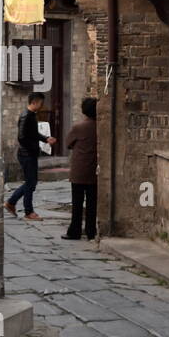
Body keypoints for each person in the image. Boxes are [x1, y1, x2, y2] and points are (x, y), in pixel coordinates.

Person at [5, 91, 54, 220]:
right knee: (31, 183)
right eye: (41, 103)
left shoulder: (31, 115)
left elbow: (33, 133)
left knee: (31, 182)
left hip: (29, 153)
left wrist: (46, 139)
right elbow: (21, 137)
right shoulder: (26, 116)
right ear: (35, 102)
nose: (42, 106)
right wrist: (32, 147)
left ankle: (12, 203)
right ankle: (27, 210)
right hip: (27, 155)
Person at [63, 97, 98, 240]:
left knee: (77, 203)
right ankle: (91, 231)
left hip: (78, 171)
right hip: (94, 171)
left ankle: (74, 231)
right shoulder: (100, 127)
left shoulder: (78, 127)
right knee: (92, 203)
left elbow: (68, 143)